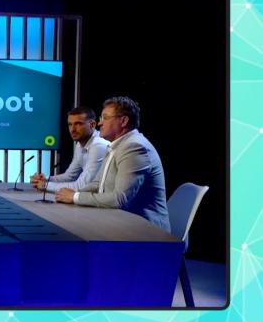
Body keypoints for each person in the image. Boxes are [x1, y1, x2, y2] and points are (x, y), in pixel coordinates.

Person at [54, 96, 171, 232]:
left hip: (147, 231)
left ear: (123, 121)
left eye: (105, 118)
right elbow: (98, 184)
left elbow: (119, 199)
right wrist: (71, 194)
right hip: (121, 222)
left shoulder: (134, 147)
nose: (100, 123)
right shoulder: (116, 145)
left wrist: (75, 197)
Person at [30, 106, 109, 192]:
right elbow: (70, 177)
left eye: (78, 124)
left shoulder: (98, 145)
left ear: (92, 125)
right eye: (70, 124)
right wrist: (46, 179)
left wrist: (45, 185)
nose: (72, 129)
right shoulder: (80, 144)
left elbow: (82, 186)